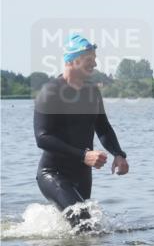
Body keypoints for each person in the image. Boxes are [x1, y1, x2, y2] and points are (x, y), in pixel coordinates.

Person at [33, 34, 130, 229]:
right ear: (72, 60)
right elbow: (42, 138)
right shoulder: (51, 91)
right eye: (89, 59)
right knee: (85, 224)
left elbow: (103, 127)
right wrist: (83, 155)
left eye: (95, 59)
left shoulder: (92, 91)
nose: (95, 64)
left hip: (82, 173)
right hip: (53, 172)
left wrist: (118, 154)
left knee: (84, 226)